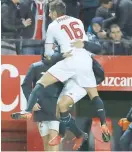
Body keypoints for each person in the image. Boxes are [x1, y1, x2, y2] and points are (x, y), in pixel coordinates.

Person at [11, 0, 110, 150]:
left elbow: (48, 54)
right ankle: (81, 133)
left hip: (70, 61)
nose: (49, 14)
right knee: (71, 103)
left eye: (50, 12)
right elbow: (95, 47)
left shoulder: (52, 26)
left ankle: (27, 111)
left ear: (55, 12)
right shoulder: (77, 21)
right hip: (85, 64)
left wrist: (59, 54)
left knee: (41, 83)